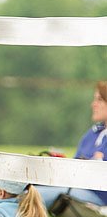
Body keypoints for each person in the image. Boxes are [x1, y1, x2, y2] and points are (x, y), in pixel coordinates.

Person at [38, 81, 107, 209]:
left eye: (99, 100)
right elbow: (74, 165)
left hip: (97, 197)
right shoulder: (92, 133)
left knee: (30, 197)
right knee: (16, 191)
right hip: (72, 186)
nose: (93, 104)